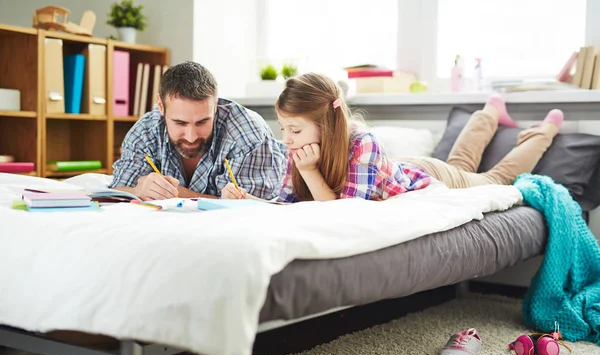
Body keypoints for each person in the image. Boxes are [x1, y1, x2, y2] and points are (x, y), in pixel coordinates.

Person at [221, 72, 563, 202]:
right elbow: (287, 204)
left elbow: (346, 212)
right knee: (462, 163)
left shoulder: (362, 143)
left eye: (294, 130)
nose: (288, 139)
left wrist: (310, 172)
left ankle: (543, 129)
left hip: (427, 174)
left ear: (325, 124)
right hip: (395, 169)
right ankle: (491, 110)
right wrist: (248, 200)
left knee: (495, 178)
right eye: (284, 129)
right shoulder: (298, 149)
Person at [109, 61, 287, 200]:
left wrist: (179, 193)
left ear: (215, 106)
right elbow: (118, 190)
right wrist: (137, 190)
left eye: (202, 122)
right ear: (161, 106)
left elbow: (254, 207)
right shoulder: (145, 132)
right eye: (180, 123)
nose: (191, 136)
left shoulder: (248, 133)